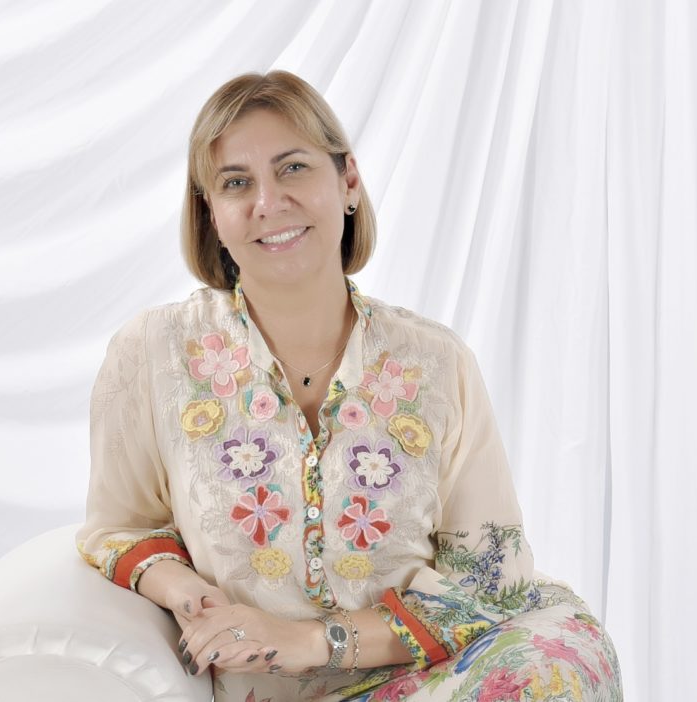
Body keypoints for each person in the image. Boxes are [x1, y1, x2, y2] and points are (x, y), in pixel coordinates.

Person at [76, 71, 622, 701]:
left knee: (550, 670)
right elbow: (117, 528)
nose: (267, 202)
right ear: (211, 215)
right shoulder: (155, 353)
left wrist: (313, 639)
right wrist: (185, 591)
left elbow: (489, 582)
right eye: (235, 183)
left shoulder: (435, 363)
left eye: (294, 168)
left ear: (349, 182)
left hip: (442, 675)